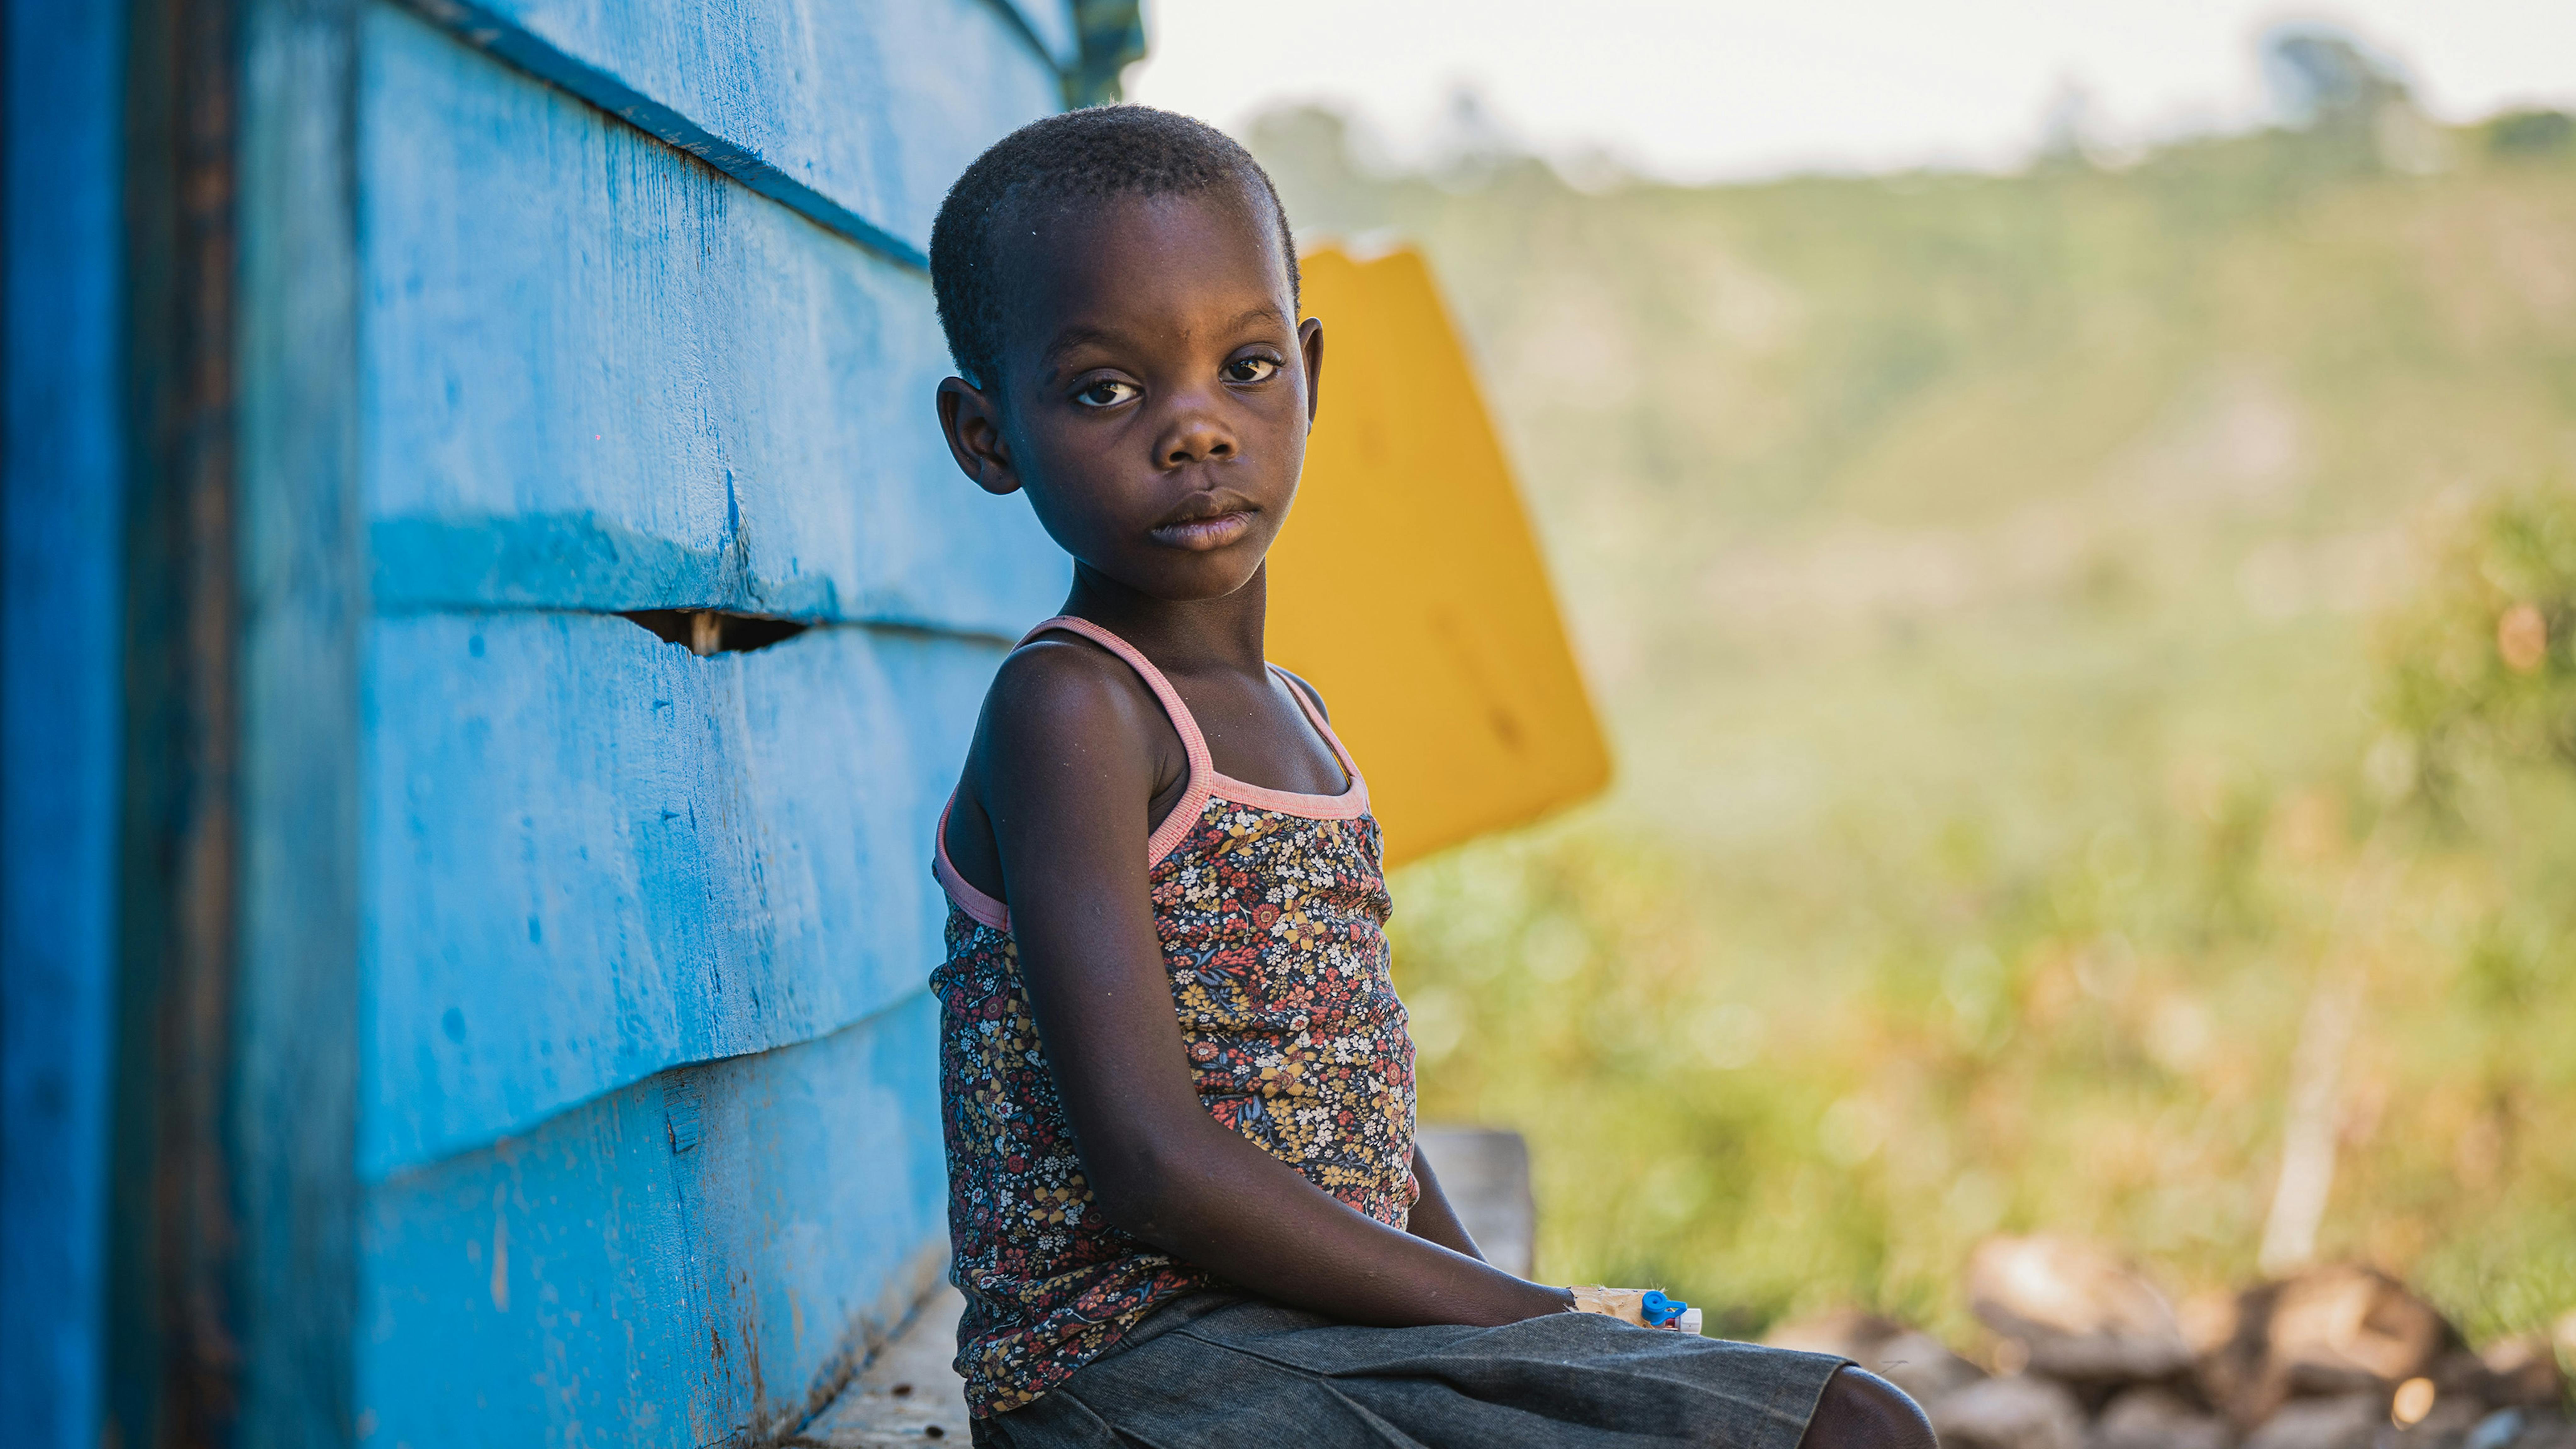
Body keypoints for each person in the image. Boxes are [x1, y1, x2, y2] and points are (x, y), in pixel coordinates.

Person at [923, 104, 1936, 1449]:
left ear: (1312, 370)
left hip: (1310, 1343)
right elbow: (1153, 1168)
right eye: (1106, 390)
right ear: (987, 437)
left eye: (1245, 366)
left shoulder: (1296, 718)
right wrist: (1523, 1320)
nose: (1197, 432)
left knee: (1854, 1414)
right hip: (1130, 1370)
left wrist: (1535, 1329)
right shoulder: (1074, 708)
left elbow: (1343, 1112)